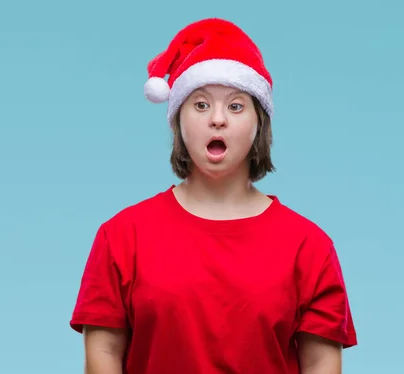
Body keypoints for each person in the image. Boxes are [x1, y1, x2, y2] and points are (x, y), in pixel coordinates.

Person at [69, 18, 357, 374]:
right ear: (178, 121)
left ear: (259, 123)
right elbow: (104, 356)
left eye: (236, 106)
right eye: (201, 105)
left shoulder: (310, 247)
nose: (217, 119)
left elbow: (321, 365)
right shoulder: (121, 236)